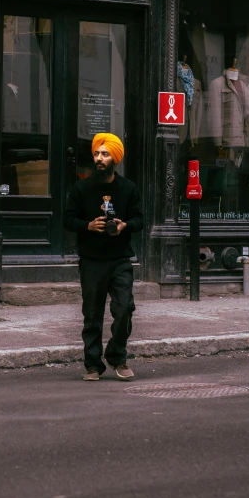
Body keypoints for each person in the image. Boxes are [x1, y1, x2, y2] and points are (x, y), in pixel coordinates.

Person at [63, 133, 143, 381]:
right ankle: (92, 365)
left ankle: (117, 356)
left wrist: (124, 225)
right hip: (91, 260)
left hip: (120, 259)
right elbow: (67, 219)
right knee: (92, 314)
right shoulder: (82, 188)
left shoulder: (128, 188)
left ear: (115, 159)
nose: (99, 158)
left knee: (124, 309)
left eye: (105, 154)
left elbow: (140, 220)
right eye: (97, 153)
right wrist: (88, 226)